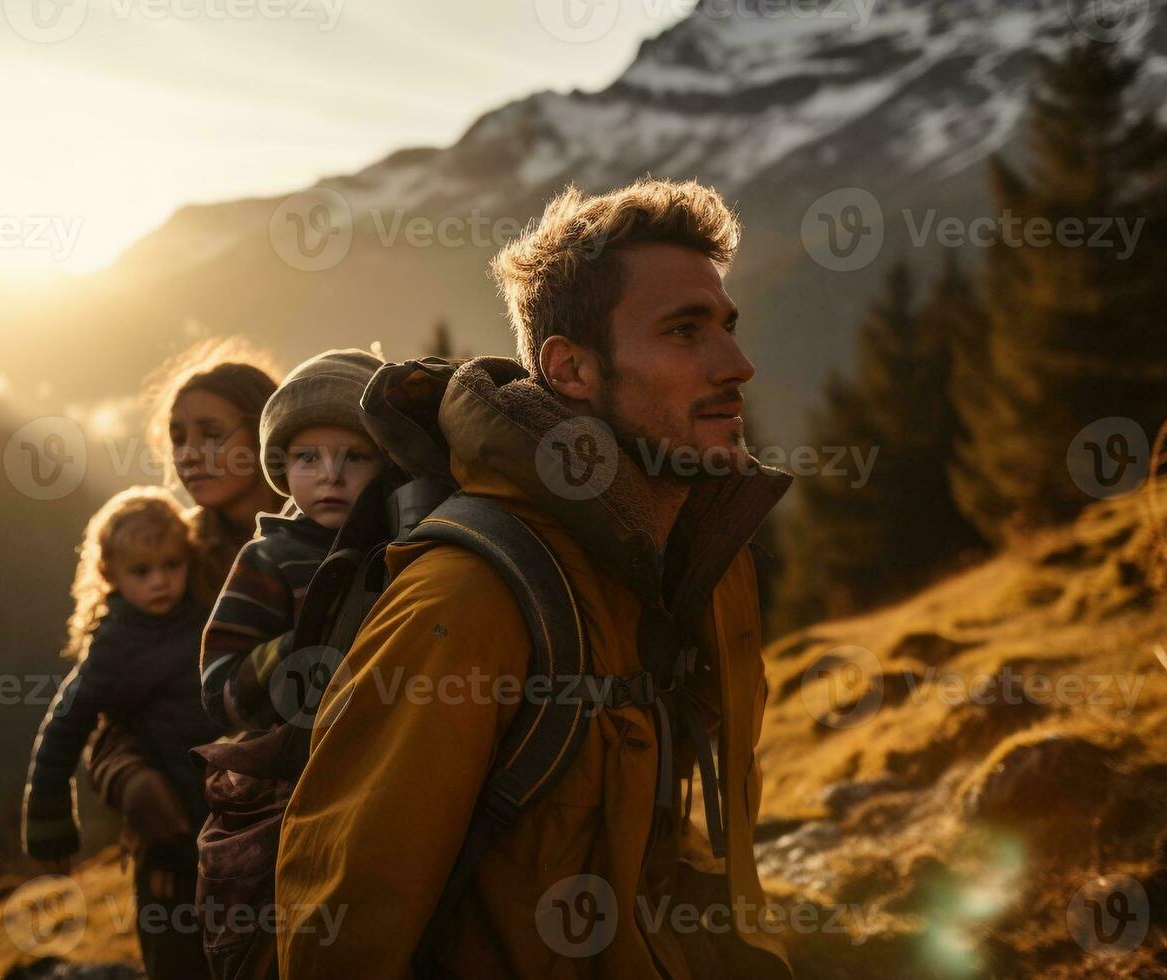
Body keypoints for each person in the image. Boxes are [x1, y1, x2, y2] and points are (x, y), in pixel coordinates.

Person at [275, 179, 795, 977]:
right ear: (571, 371)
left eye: (726, 326)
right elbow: (343, 931)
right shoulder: (468, 597)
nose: (738, 365)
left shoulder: (691, 562)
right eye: (685, 332)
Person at [80, 339, 283, 978]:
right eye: (178, 437)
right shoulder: (178, 559)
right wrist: (130, 781)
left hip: (297, 841)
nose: (191, 453)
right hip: (177, 859)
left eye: (212, 433)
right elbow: (109, 698)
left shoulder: (325, 544)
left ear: (267, 428)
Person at [199, 348, 386, 734]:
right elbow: (219, 690)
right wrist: (298, 646)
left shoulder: (405, 547)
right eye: (307, 458)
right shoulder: (269, 559)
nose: (330, 475)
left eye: (355, 457)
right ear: (283, 468)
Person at [21, 487, 205, 877]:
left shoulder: (207, 611)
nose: (160, 580)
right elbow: (64, 728)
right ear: (110, 574)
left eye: (172, 564)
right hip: (167, 810)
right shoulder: (113, 647)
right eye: (141, 571)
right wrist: (48, 822)